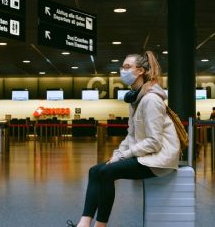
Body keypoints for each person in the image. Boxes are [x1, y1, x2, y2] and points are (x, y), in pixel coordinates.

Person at [68, 51, 180, 227]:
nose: (122, 71)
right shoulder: (136, 100)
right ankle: (84, 223)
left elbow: (154, 141)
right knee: (95, 171)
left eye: (127, 67)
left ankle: (100, 225)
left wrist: (122, 156)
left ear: (140, 71)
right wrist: (117, 154)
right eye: (122, 67)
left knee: (107, 172)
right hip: (146, 156)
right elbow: (131, 135)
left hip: (159, 160)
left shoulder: (151, 100)